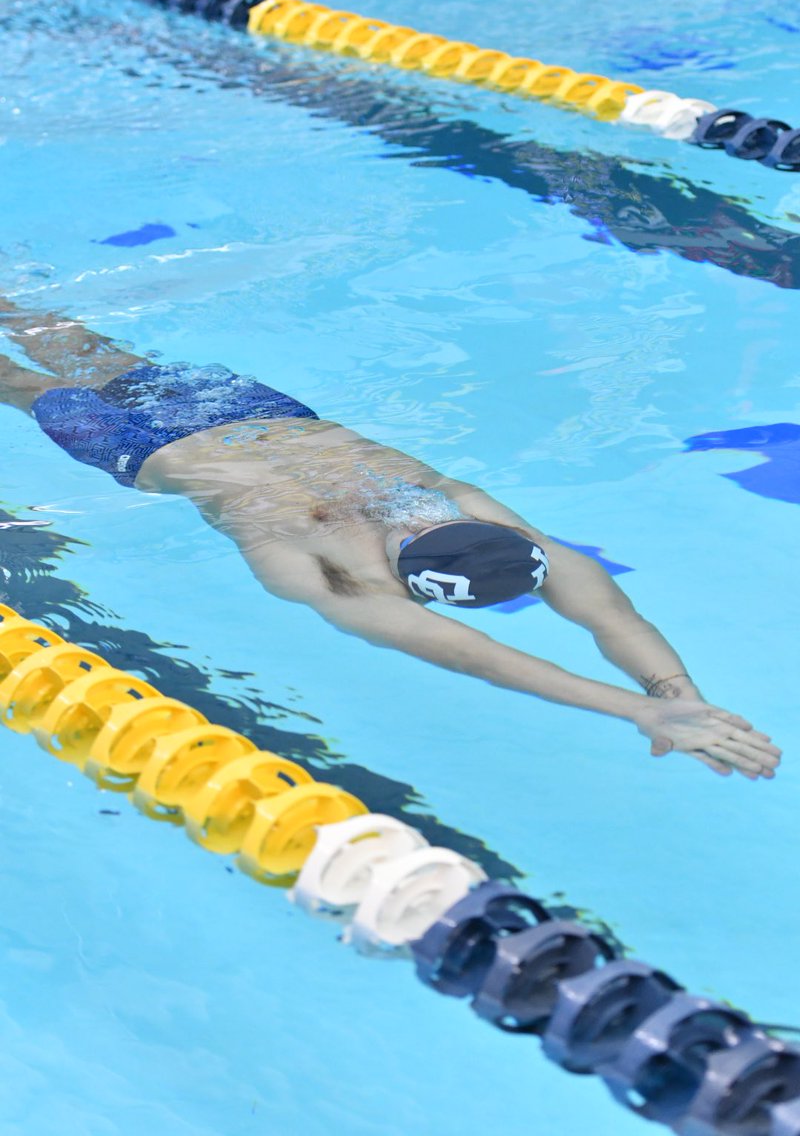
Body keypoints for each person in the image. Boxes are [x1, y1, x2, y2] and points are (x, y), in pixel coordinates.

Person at [0, 294, 781, 782]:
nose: (403, 509)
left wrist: (646, 707)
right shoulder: (439, 530)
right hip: (223, 423)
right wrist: (668, 695)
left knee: (42, 371)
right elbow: (606, 617)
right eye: (427, 512)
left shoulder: (369, 555)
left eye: (415, 524)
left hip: (174, 439)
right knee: (78, 353)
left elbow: (488, 650)